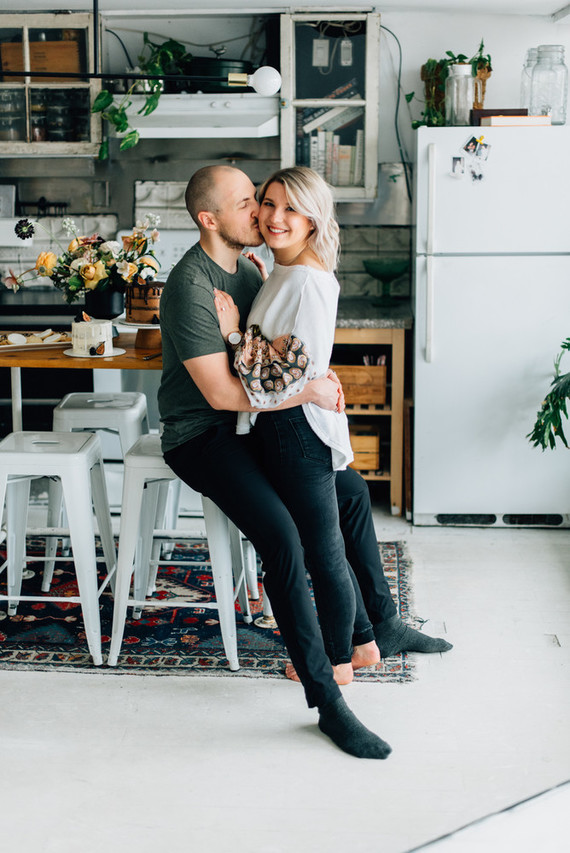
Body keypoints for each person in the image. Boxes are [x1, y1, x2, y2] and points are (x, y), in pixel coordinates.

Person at [158, 165, 450, 759]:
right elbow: (219, 396)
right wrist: (309, 390)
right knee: (287, 542)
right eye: (250, 203)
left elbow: (269, 348)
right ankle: (328, 699)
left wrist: (303, 376)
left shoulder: (250, 267)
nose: (262, 215)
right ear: (211, 219)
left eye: (264, 202)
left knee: (352, 493)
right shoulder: (191, 286)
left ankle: (379, 626)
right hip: (203, 435)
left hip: (253, 424)